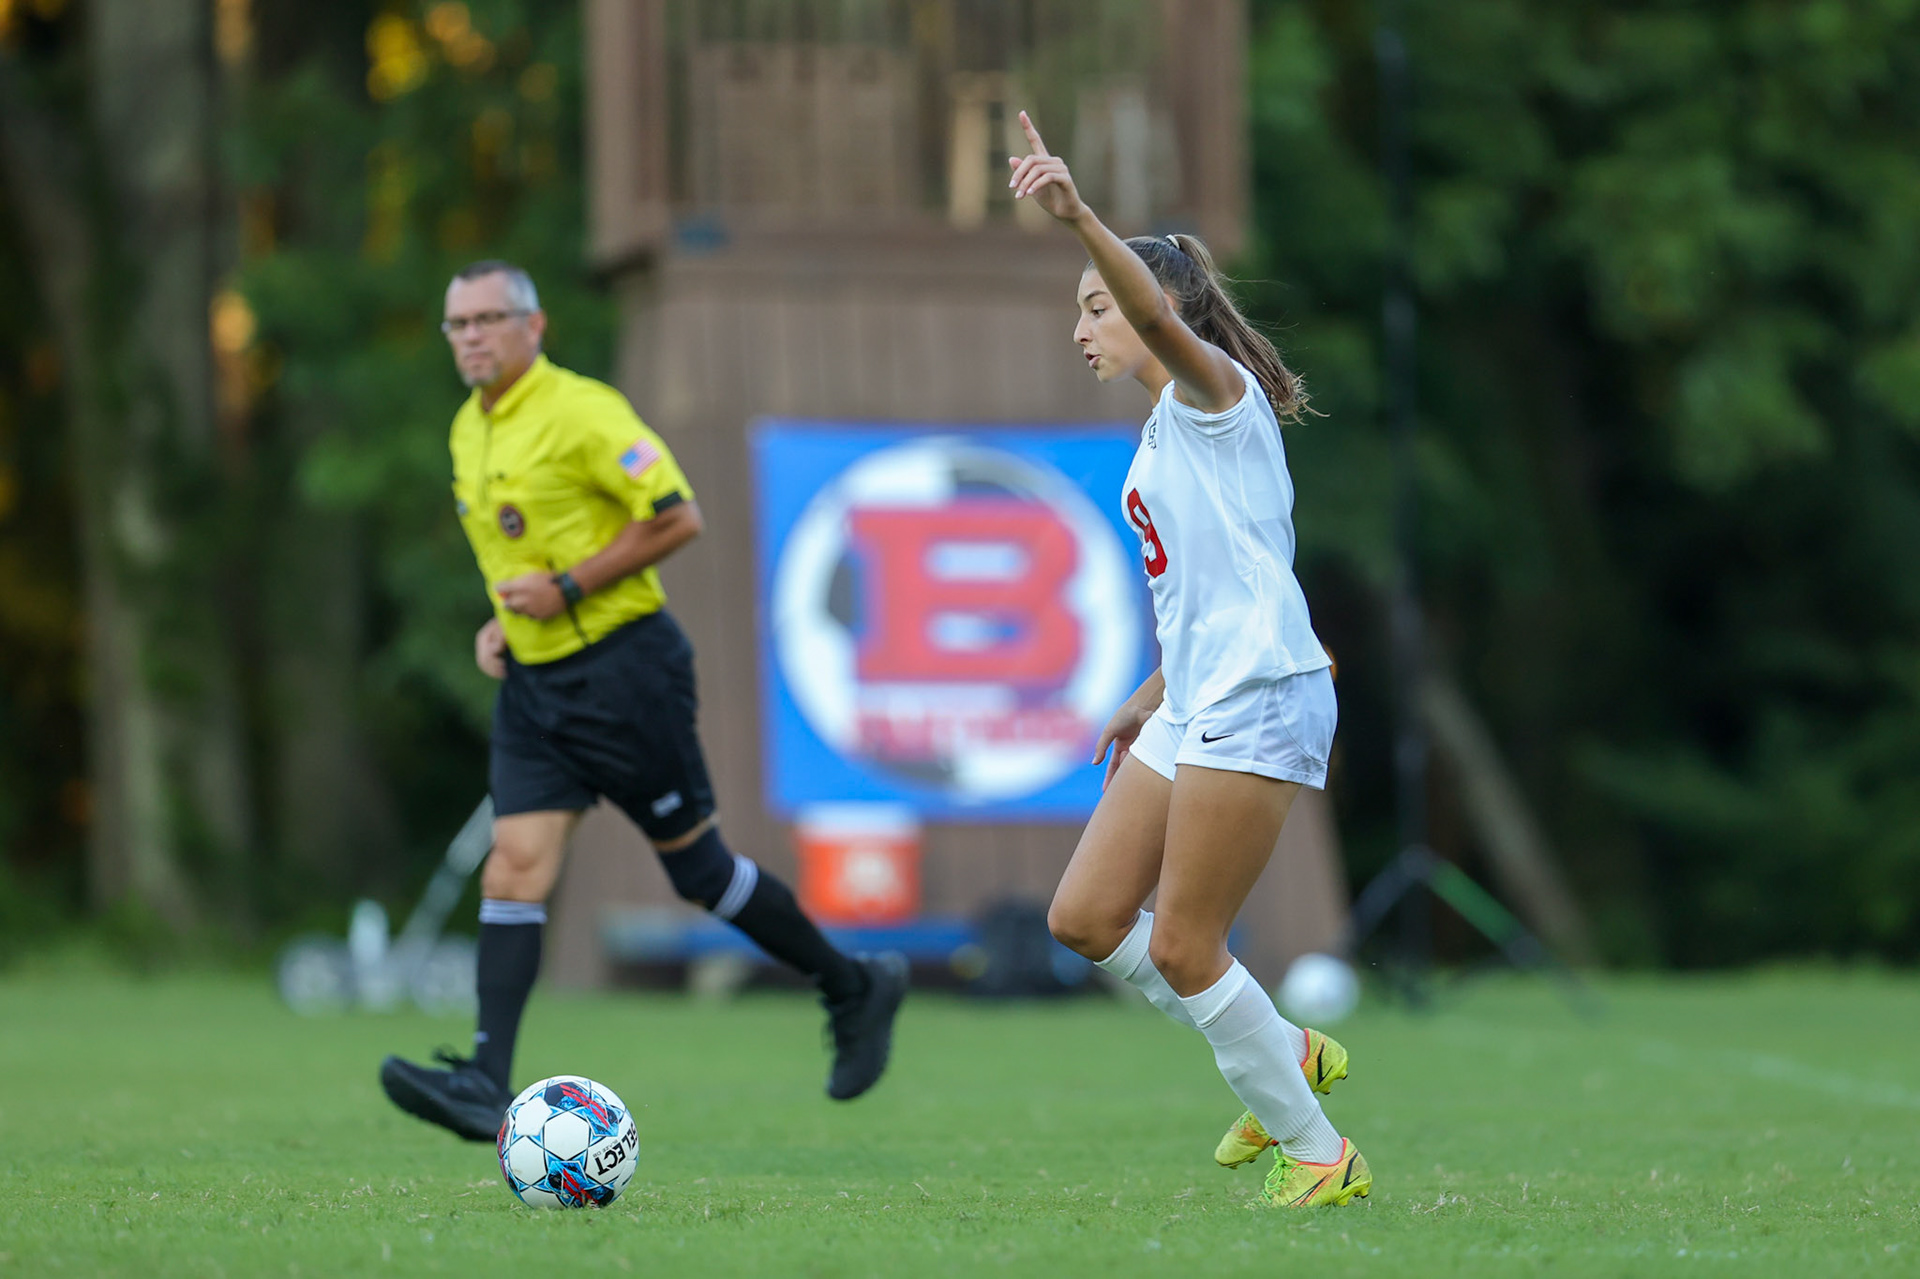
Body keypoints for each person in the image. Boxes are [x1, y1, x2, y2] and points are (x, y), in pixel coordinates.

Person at [380, 261, 908, 1141]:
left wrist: (570, 588)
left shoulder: (585, 412)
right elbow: (526, 553)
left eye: (487, 318)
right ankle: (483, 1077)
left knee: (699, 872)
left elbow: (676, 516)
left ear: (534, 324)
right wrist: (506, 622)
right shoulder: (468, 429)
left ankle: (853, 983)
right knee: (514, 863)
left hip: (625, 675)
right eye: (456, 323)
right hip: (537, 685)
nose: (470, 335)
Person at [1009, 115, 1370, 1208]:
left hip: (1262, 698)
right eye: (1078, 304)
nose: (1084, 324)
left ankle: (1319, 1151)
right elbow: (1208, 594)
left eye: (1096, 303)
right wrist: (1143, 696)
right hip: (1199, 694)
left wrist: (1077, 214)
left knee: (1185, 947)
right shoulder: (1163, 430)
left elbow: (1162, 311)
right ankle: (1283, 1046)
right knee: (1084, 919)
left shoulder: (1215, 399)